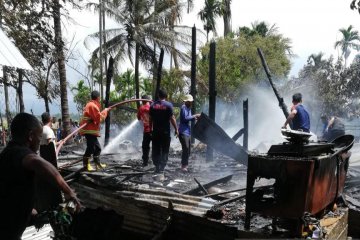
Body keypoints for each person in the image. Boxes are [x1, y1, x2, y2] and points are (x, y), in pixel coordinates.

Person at [0, 112, 81, 240]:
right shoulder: (21, 152)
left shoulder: (7, 153)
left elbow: (10, 188)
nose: (40, 140)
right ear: (31, 136)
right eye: (39, 136)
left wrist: (29, 209)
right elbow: (40, 163)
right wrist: (69, 191)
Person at [35, 112, 64, 212]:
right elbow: (49, 144)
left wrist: (59, 142)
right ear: (50, 119)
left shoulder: (41, 129)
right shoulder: (48, 130)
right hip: (50, 160)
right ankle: (56, 201)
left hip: (44, 159)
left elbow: (49, 143)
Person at [149, 89, 178, 180]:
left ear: (158, 95)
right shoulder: (169, 105)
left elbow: (150, 119)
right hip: (165, 132)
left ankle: (157, 166)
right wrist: (176, 129)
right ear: (166, 96)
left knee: (156, 149)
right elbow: (172, 118)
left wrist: (150, 129)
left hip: (156, 132)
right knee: (165, 149)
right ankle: (162, 168)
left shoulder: (153, 105)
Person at [79, 90, 109, 171]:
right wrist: (105, 112)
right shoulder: (92, 106)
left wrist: (104, 111)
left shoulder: (91, 105)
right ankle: (86, 165)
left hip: (90, 131)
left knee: (97, 148)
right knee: (91, 148)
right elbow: (99, 119)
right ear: (98, 97)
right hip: (89, 131)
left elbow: (96, 116)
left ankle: (97, 163)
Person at [178, 94, 200, 172]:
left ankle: (185, 165)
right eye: (190, 102)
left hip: (187, 131)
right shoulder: (184, 108)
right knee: (186, 148)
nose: (191, 103)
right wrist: (195, 115)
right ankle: (183, 166)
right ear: (186, 102)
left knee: (188, 149)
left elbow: (189, 119)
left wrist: (195, 118)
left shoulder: (189, 108)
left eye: (191, 102)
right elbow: (185, 118)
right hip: (183, 131)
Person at [137, 95, 152, 167]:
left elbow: (138, 118)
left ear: (143, 101)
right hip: (155, 130)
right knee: (156, 146)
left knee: (145, 147)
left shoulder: (141, 108)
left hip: (147, 131)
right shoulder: (153, 107)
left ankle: (145, 162)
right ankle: (158, 163)